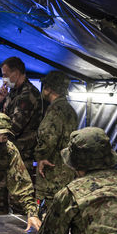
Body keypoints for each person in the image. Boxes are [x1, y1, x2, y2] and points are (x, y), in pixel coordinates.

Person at [0, 56, 43, 213]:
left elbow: (13, 128)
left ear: (17, 73)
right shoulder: (11, 93)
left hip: (20, 157)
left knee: (18, 202)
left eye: (6, 74)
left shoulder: (28, 95)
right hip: (5, 154)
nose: (4, 78)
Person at [34, 71, 78, 213]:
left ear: (49, 88)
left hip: (52, 172)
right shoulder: (70, 110)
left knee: (49, 213)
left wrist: (40, 157)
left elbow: (47, 138)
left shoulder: (55, 110)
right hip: (67, 171)